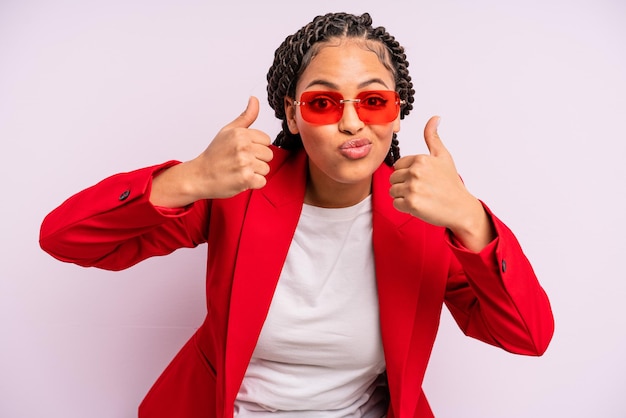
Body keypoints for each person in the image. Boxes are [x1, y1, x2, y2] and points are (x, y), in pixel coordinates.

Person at [39, 11, 554, 418]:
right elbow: (66, 239)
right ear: (291, 113)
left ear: (397, 113)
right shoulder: (239, 189)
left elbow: (526, 337)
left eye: (373, 101)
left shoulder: (428, 212)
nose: (352, 123)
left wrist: (470, 219)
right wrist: (190, 177)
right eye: (324, 104)